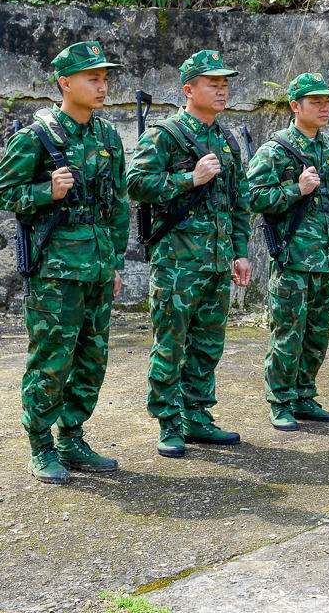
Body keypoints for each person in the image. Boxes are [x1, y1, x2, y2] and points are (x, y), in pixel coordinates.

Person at [0, 41, 128, 483]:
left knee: (92, 358)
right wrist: (47, 191)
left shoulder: (107, 137)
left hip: (99, 267)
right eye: (93, 78)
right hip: (56, 272)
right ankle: (41, 444)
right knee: (52, 358)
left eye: (105, 78)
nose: (102, 86)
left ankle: (72, 437)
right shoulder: (38, 136)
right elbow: (0, 193)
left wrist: (116, 261)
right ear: (65, 83)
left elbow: (116, 205)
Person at [127, 49, 251, 458]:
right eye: (212, 82)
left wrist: (240, 251)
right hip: (178, 262)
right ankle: (168, 422)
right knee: (171, 343)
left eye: (225, 82)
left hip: (217, 261)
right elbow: (136, 184)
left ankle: (197, 416)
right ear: (188, 89)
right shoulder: (166, 134)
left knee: (207, 344)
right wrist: (188, 179)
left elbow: (237, 201)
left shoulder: (226, 138)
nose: (221, 88)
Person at [247, 73, 329, 431]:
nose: (325, 108)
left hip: (324, 259)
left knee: (317, 334)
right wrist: (296, 188)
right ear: (295, 106)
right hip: (292, 259)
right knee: (287, 334)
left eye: (327, 102)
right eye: (315, 102)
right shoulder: (275, 150)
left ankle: (305, 394)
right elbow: (253, 197)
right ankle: (280, 400)